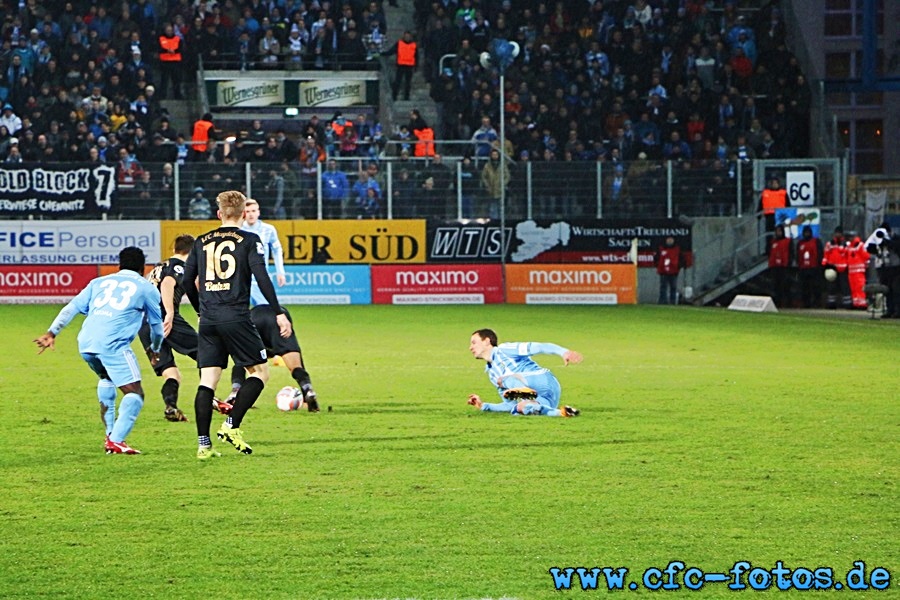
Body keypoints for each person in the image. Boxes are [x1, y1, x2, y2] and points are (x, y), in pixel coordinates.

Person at [182, 190, 292, 459]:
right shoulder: (250, 240)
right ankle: (232, 425)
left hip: (208, 320)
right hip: (237, 317)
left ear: (219, 214)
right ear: (244, 214)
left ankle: (203, 444)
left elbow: (187, 281)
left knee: (207, 381)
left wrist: (200, 310)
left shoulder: (201, 241)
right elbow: (262, 278)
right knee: (259, 374)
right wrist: (277, 311)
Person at [34, 247, 163, 455]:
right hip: (113, 344)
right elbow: (157, 326)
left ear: (119, 266)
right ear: (143, 268)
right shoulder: (146, 288)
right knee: (135, 394)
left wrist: (51, 333)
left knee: (106, 378)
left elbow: (71, 307)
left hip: (86, 342)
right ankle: (117, 441)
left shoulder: (99, 282)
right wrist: (154, 349)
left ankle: (110, 434)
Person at [138, 235, 198, 422]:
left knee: (171, 373)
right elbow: (167, 284)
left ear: (175, 249)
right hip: (163, 317)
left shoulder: (158, 267)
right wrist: (170, 313)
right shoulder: (179, 266)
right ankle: (209, 396)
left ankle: (170, 406)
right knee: (206, 352)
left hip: (145, 324)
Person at [466, 329, 582, 417]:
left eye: (474, 342)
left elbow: (539, 347)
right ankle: (562, 413)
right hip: (548, 399)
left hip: (542, 379)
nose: (470, 347)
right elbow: (508, 404)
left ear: (487, 341)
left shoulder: (504, 350)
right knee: (519, 408)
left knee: (503, 380)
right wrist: (483, 406)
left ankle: (526, 392)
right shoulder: (492, 374)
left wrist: (563, 352)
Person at [822, 227, 850, 309]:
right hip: (832, 268)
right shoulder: (830, 244)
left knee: (845, 287)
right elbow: (826, 255)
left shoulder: (846, 244)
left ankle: (847, 304)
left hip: (843, 269)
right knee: (831, 287)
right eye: (836, 233)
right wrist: (825, 265)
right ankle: (831, 303)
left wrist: (847, 266)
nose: (837, 235)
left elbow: (848, 255)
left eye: (839, 233)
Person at [796, 225, 824, 308]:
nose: (806, 234)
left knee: (816, 286)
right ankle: (806, 303)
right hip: (804, 268)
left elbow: (820, 253)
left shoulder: (816, 241)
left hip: (814, 267)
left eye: (808, 232)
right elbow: (798, 256)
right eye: (805, 232)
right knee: (805, 287)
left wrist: (819, 265)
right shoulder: (800, 243)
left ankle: (817, 302)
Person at [384, 30, 416, 101]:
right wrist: (384, 53)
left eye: (408, 36)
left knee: (408, 83)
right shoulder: (399, 43)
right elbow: (392, 51)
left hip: (409, 66)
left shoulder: (414, 45)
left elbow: (416, 56)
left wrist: (416, 66)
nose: (407, 37)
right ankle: (394, 96)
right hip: (401, 65)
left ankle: (406, 97)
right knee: (397, 82)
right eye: (406, 36)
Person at [767, 224, 793, 307]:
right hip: (775, 267)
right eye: (777, 231)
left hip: (784, 267)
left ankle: (788, 303)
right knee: (775, 286)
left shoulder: (788, 241)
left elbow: (791, 253)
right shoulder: (773, 242)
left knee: (785, 286)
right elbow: (769, 253)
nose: (778, 233)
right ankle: (777, 303)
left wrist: (789, 263)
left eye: (780, 231)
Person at [655, 236, 684, 305]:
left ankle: (672, 301)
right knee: (663, 287)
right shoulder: (661, 248)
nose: (670, 241)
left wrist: (678, 266)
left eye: (671, 240)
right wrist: (659, 266)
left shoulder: (677, 249)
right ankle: (662, 301)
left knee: (673, 287)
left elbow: (682, 259)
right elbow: (656, 258)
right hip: (663, 271)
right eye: (668, 240)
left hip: (673, 272)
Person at [759, 176, 787, 246]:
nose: (774, 185)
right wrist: (759, 214)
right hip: (769, 216)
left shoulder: (783, 193)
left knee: (781, 233)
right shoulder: (765, 193)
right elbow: (761, 204)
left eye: (776, 183)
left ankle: (781, 247)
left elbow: (788, 205)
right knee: (769, 234)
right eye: (773, 183)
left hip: (780, 216)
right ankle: (769, 249)